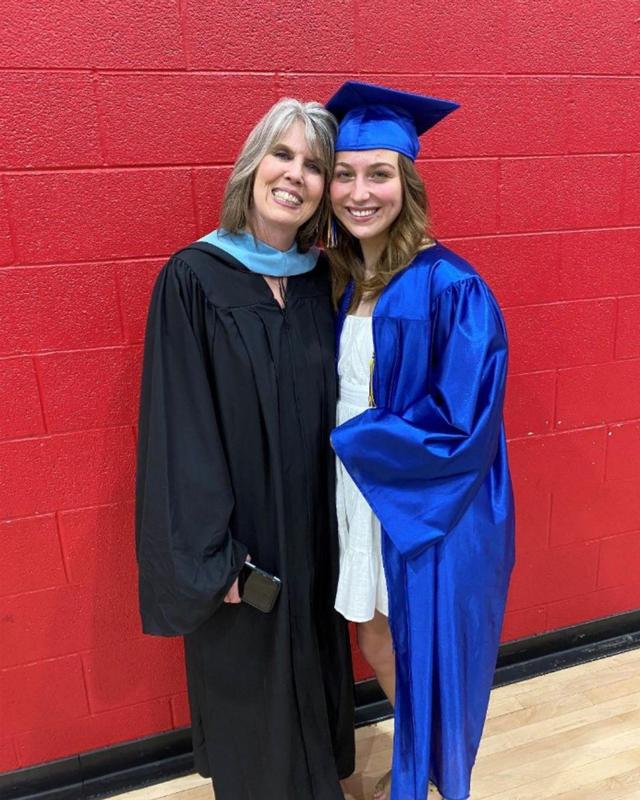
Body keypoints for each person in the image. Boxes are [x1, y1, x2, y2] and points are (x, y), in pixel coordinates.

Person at [135, 98, 355, 800]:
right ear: (252, 165)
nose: (295, 175)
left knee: (315, 678)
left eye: (314, 165)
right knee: (252, 703)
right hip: (245, 544)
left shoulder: (324, 279)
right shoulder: (194, 278)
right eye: (282, 155)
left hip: (318, 534)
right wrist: (211, 560)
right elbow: (179, 429)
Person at [325, 82, 515, 800]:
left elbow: (462, 423)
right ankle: (422, 760)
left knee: (420, 643)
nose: (358, 191)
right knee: (372, 632)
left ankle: (432, 778)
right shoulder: (349, 277)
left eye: (378, 174)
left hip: (422, 497)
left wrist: (354, 438)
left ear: (407, 181)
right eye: (344, 174)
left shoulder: (451, 286)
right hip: (361, 486)